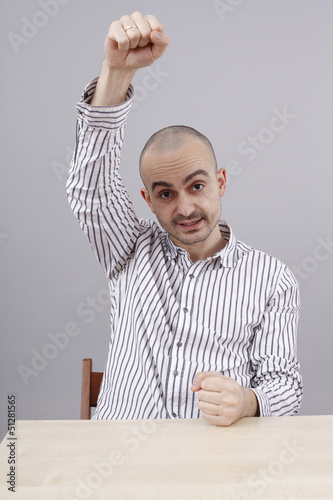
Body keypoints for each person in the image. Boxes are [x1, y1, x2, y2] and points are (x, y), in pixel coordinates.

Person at [66, 12, 303, 426]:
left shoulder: (272, 278)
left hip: (217, 468)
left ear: (221, 182)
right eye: (166, 194)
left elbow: (285, 386)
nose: (186, 209)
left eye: (196, 186)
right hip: (121, 469)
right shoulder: (127, 251)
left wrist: (248, 401)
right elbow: (90, 190)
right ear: (148, 200)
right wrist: (115, 73)